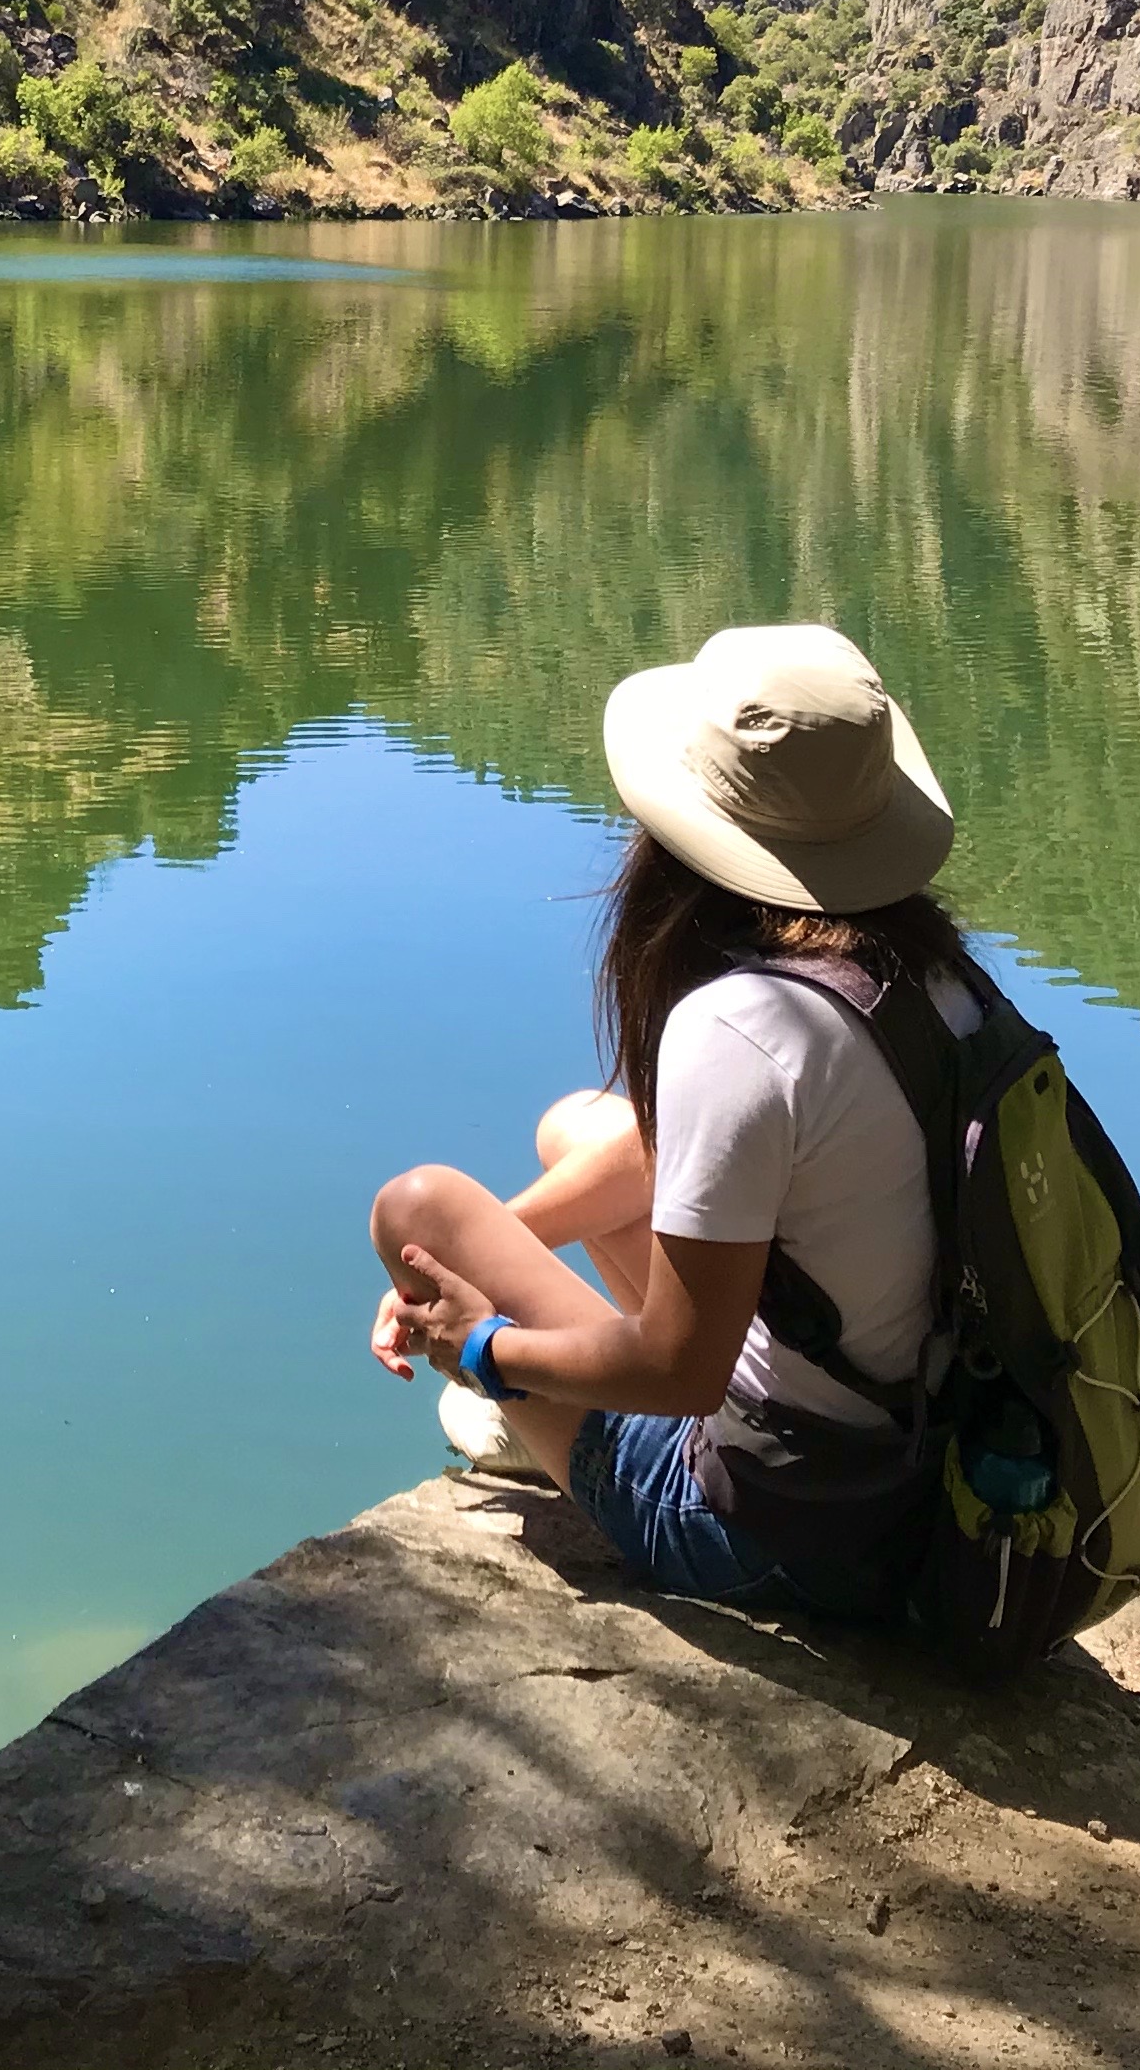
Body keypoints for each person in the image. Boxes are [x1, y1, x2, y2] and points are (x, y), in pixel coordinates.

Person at [365, 623, 989, 1620]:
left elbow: (683, 1371)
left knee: (421, 1209)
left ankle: (545, 1403)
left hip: (774, 1528)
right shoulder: (932, 973)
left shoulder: (738, 1030)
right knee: (581, 1129)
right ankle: (551, 1367)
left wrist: (485, 1343)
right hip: (926, 1453)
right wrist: (501, 1254)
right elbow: (669, 1155)